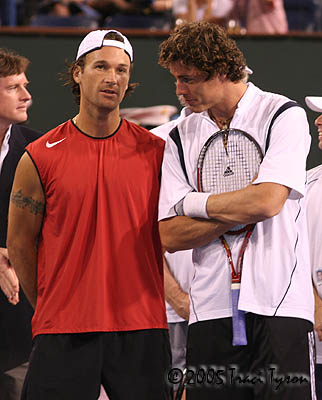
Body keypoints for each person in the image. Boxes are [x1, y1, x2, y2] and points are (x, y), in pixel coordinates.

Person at [6, 29, 171, 400]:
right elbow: (18, 243)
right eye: (101, 66)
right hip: (63, 328)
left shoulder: (156, 153)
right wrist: (50, 302)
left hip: (141, 326)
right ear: (78, 73)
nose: (112, 78)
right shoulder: (40, 155)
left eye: (122, 70)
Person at [158, 21, 314, 400]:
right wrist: (241, 203)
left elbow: (267, 202)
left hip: (280, 305)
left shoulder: (284, 115)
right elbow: (170, 235)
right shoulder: (177, 135)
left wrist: (193, 203)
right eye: (176, 79)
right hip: (209, 310)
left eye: (189, 79)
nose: (180, 91)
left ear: (223, 72)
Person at [0, 48, 41, 400]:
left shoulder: (37, 149)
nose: (26, 95)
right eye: (14, 87)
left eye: (24, 85)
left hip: (19, 328)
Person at [304, 95, 322, 400]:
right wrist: (317, 305)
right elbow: (292, 252)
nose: (317, 120)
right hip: (315, 348)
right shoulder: (304, 184)